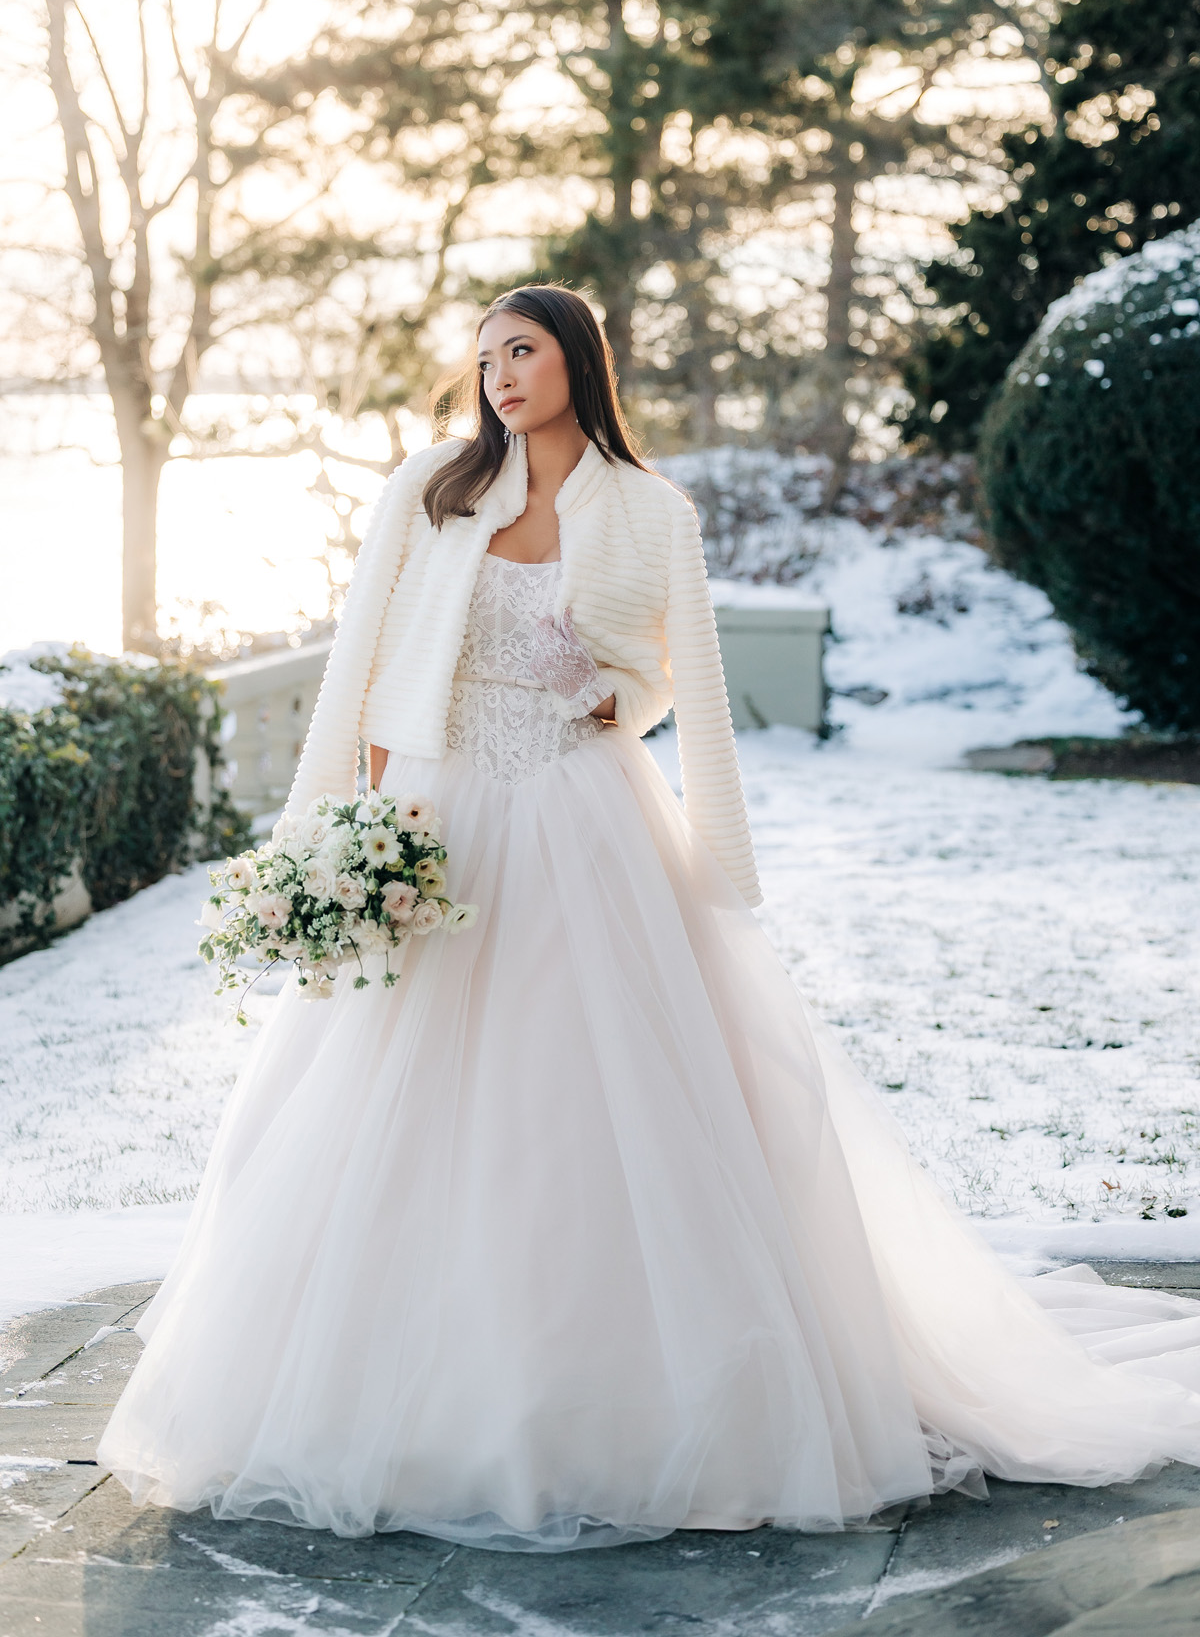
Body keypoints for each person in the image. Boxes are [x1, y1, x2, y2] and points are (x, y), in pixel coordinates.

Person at [98, 284, 1200, 1550]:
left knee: (590, 1102)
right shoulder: (432, 491)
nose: (500, 375)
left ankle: (615, 1404)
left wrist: (618, 693)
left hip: (586, 823)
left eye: (523, 350)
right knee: (380, 1101)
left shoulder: (648, 510)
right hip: (440, 818)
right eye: (485, 357)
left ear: (578, 359)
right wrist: (344, 823)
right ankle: (419, 1398)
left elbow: (685, 676)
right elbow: (365, 662)